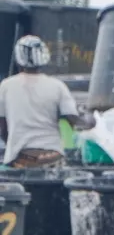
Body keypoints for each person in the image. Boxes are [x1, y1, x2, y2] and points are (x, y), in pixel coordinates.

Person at [0, 36, 79, 168]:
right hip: (53, 157)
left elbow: (2, 128)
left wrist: (13, 144)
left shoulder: (6, 86)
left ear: (18, 61)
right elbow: (73, 120)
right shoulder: (57, 86)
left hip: (21, 159)